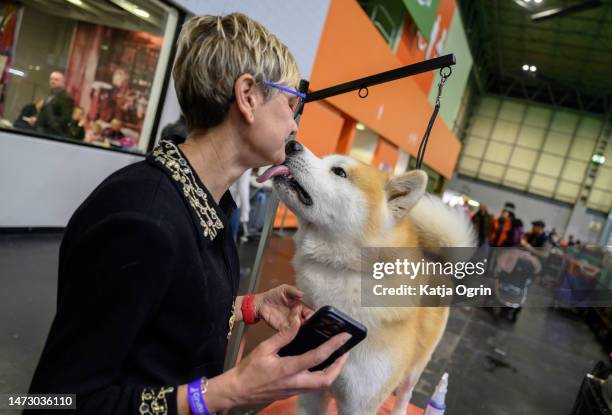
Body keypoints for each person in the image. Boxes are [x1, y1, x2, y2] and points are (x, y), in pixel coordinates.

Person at [26, 13, 349, 415]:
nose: (295, 125)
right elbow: (51, 401)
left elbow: (166, 317)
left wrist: (248, 306)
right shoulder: (142, 222)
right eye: (290, 103)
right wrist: (227, 391)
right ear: (248, 95)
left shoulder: (204, 203)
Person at [36, 71, 74, 137]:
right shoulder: (50, 95)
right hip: (41, 131)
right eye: (51, 79)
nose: (52, 81)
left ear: (63, 82)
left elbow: (66, 118)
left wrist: (48, 121)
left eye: (56, 80)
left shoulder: (66, 98)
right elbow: (45, 113)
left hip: (53, 134)